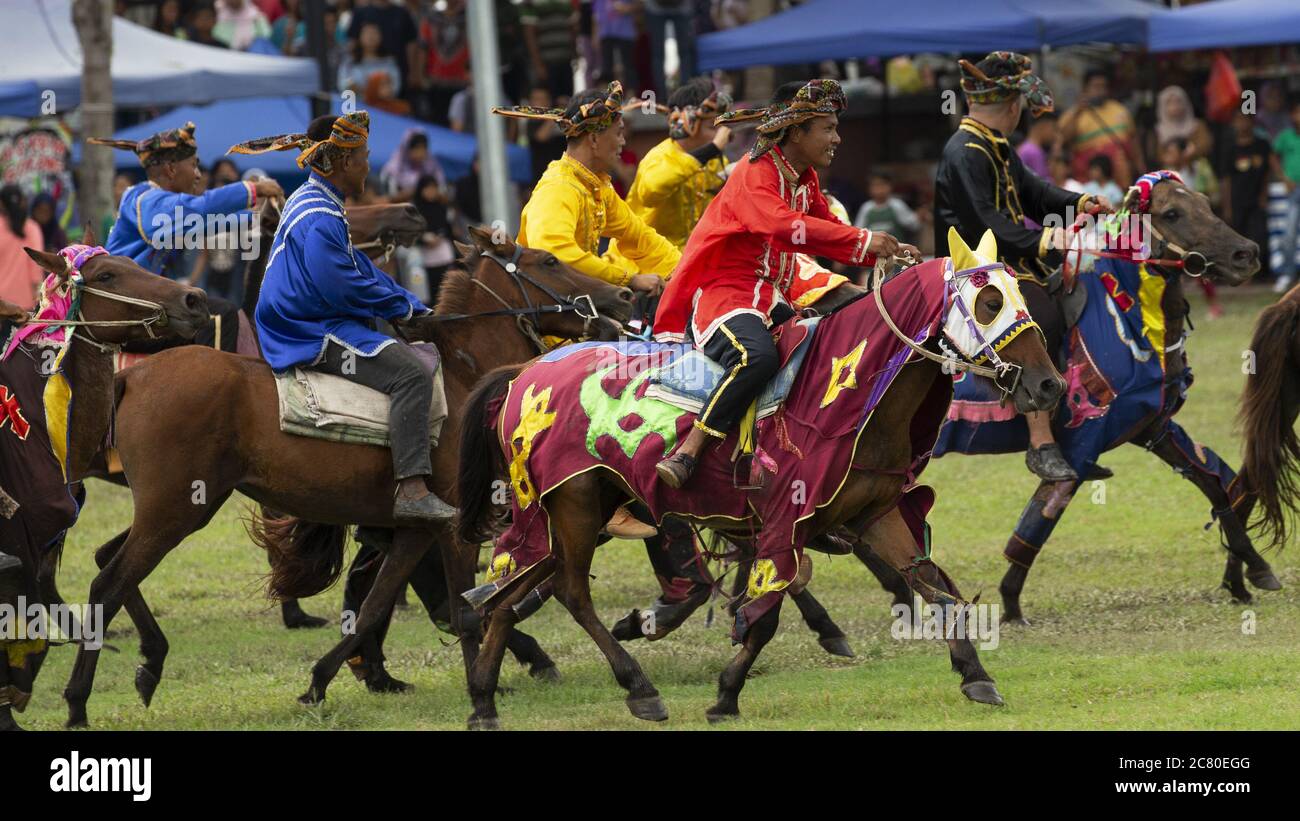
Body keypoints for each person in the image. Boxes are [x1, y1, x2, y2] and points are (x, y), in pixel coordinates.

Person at [652, 79, 914, 487]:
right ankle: (690, 450)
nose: (837, 138)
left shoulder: (802, 175)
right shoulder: (755, 172)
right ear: (796, 131)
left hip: (770, 297)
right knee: (757, 358)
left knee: (829, 347)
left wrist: (883, 251)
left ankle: (794, 459)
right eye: (828, 127)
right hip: (725, 295)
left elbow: (826, 225)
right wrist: (863, 240)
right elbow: (776, 224)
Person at [230, 111, 455, 524]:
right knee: (411, 375)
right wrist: (400, 308)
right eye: (365, 156)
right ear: (345, 162)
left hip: (308, 319)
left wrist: (411, 304)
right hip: (306, 330)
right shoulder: (319, 214)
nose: (369, 164)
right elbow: (340, 286)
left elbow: (358, 269)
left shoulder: (319, 202)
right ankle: (412, 488)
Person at [934, 52, 1110, 484]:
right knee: (1039, 315)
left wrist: (1078, 202)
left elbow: (1035, 194)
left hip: (1008, 262)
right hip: (975, 272)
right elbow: (982, 223)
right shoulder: (963, 151)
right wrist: (1047, 238)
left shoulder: (995, 145)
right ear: (1013, 107)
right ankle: (1040, 442)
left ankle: (1072, 420)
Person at [88, 122, 282, 351]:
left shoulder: (154, 202)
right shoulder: (142, 198)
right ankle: (215, 387)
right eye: (194, 166)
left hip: (144, 309)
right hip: (128, 316)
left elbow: (201, 223)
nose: (198, 175)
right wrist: (254, 190)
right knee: (220, 316)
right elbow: (199, 209)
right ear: (171, 169)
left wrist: (256, 219)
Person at [493, 82, 679, 296]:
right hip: (544, 318)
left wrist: (683, 272)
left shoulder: (596, 186)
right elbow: (555, 254)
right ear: (593, 139)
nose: (623, 141)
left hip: (575, 310)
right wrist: (630, 279)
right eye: (618, 133)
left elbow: (638, 236)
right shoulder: (559, 187)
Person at [606, 77, 732, 269]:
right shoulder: (659, 156)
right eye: (712, 126)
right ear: (687, 123)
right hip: (640, 268)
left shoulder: (715, 160)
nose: (722, 131)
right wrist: (712, 149)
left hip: (685, 263)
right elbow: (652, 192)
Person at [1056, 68, 1143, 190]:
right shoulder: (1073, 114)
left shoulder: (1120, 110)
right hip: (1088, 175)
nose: (1100, 91)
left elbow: (1133, 142)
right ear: (1085, 89)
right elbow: (1063, 140)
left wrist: (1141, 169)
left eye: (1103, 86)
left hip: (1119, 175)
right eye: (1096, 86)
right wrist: (1078, 112)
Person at [0, 186, 44, 310]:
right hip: (25, 305)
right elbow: (36, 265)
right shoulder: (32, 228)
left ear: (1, 203)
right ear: (22, 201)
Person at [522, 0, 576, 100]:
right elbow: (529, 33)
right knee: (550, 103)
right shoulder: (531, 2)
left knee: (567, 101)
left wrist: (574, 55)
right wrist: (538, 65)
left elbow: (572, 27)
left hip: (566, 59)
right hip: (546, 62)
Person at [1273, 101, 1300, 293]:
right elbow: (1272, 156)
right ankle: (1288, 274)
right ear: (1292, 115)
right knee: (1288, 234)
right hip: (1294, 191)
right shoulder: (1286, 136)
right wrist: (1283, 178)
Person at [645, 0, 697, 96]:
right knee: (685, 53)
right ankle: (686, 95)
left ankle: (661, 96)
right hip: (682, 8)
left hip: (655, 9)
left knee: (657, 55)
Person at [854, 170, 921, 244]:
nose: (879, 189)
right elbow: (858, 232)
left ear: (890, 186)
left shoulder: (897, 205)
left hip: (897, 250)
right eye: (875, 185)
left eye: (882, 185)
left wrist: (918, 216)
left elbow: (913, 225)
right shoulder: (866, 208)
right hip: (873, 252)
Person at [338, 22, 402, 97]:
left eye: (374, 33)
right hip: (356, 106)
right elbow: (342, 85)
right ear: (359, 36)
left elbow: (395, 88)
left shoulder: (388, 62)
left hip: (381, 107)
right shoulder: (349, 62)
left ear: (381, 37)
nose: (371, 37)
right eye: (367, 33)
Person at [593, 0, 639, 92]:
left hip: (626, 33)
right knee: (606, 67)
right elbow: (596, 16)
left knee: (628, 66)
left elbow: (638, 5)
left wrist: (628, 8)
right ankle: (609, 96)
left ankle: (631, 95)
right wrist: (596, 35)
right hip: (606, 33)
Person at [1017, 111, 1056, 180]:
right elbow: (1040, 183)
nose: (1053, 134)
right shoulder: (1032, 151)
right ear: (1043, 126)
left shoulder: (1032, 149)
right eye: (1053, 129)